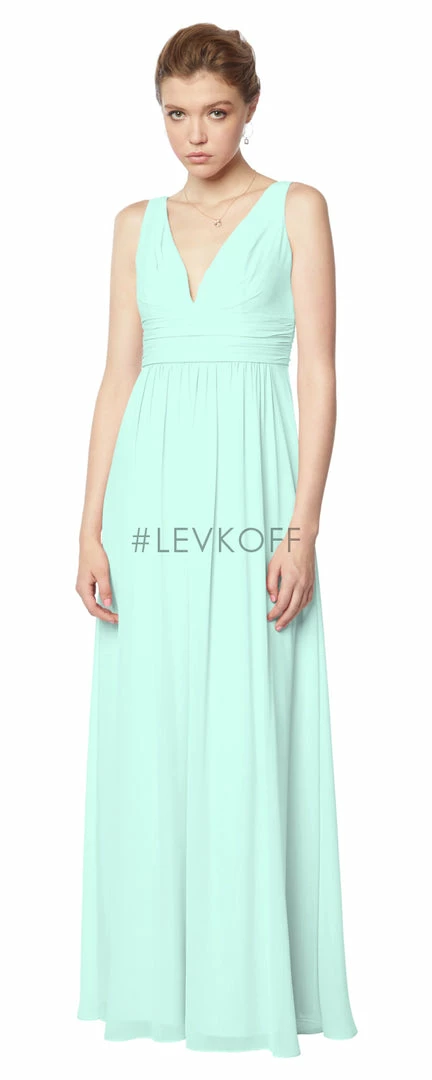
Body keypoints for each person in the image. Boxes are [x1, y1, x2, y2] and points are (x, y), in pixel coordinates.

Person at [75, 21, 358, 1060]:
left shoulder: (297, 208)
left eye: (216, 113)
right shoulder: (133, 224)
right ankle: (166, 985)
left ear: (250, 109)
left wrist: (301, 529)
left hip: (253, 497)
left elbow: (318, 374)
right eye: (176, 114)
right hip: (147, 500)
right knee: (153, 731)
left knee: (250, 722)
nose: (195, 135)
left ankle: (252, 989)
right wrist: (90, 526)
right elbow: (118, 376)